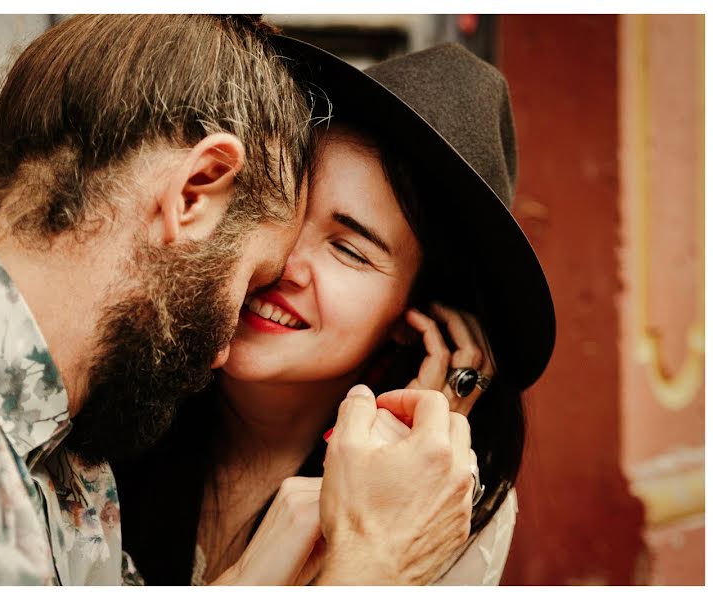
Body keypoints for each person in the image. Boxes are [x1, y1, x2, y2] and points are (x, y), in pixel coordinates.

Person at [0, 16, 477, 585]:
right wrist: (373, 565)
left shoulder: (70, 459)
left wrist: (302, 524)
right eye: (252, 277)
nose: (225, 345)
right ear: (194, 192)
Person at [115, 39, 556, 585]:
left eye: (349, 250)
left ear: (414, 315)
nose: (284, 264)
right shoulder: (115, 387)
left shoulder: (448, 496)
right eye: (282, 211)